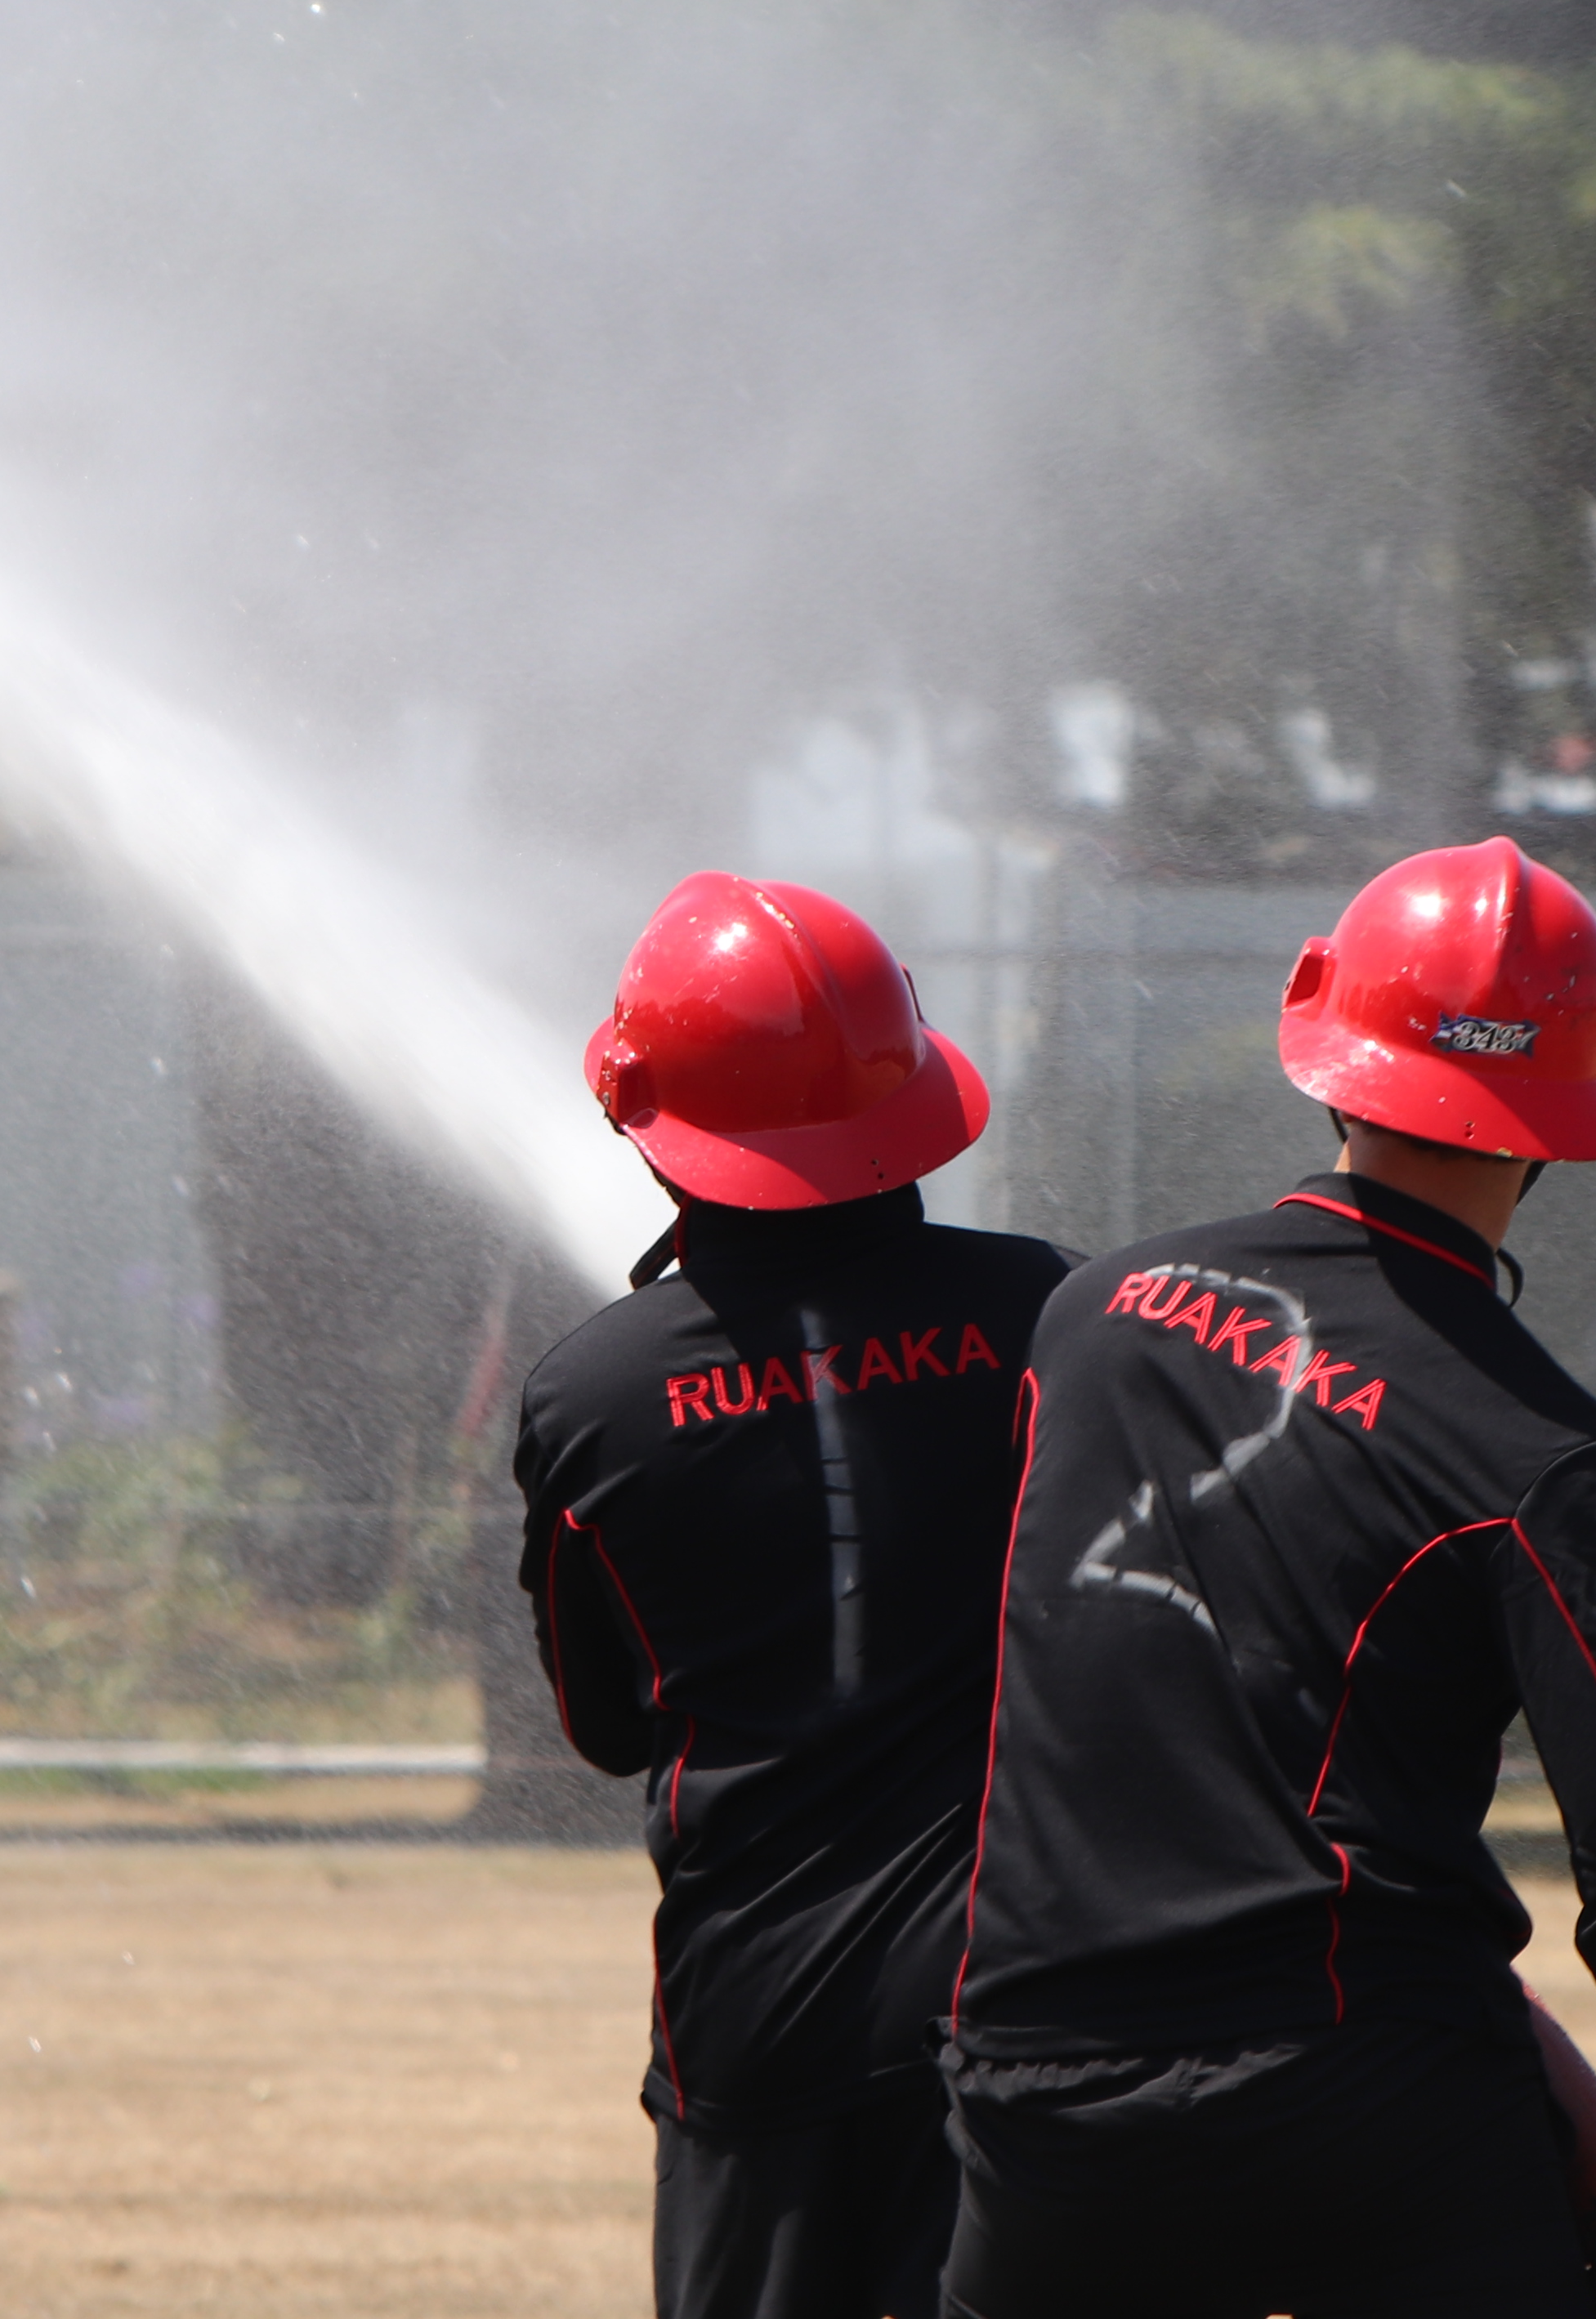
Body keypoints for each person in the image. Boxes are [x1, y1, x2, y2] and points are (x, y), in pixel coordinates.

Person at [940, 840, 1596, 2319]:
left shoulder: (1092, 1314)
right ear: (1565, 1121)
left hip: (1040, 2078)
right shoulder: (1545, 1454)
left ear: (1329, 1052)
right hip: (1364, 2081)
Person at [512, 873, 1071, 2319]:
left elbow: (606, 1721)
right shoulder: (1046, 1314)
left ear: (647, 1117)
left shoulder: (596, 1394)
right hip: (1036, 1988)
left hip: (760, 2019)